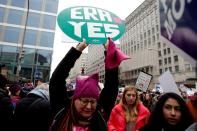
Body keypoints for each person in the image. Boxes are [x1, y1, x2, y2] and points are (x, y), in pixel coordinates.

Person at [49, 38, 129, 131]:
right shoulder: (62, 109)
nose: (89, 107)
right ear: (75, 99)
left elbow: (111, 87)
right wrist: (77, 51)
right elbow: (56, 80)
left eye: (93, 102)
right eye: (85, 101)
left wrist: (109, 53)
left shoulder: (100, 113)